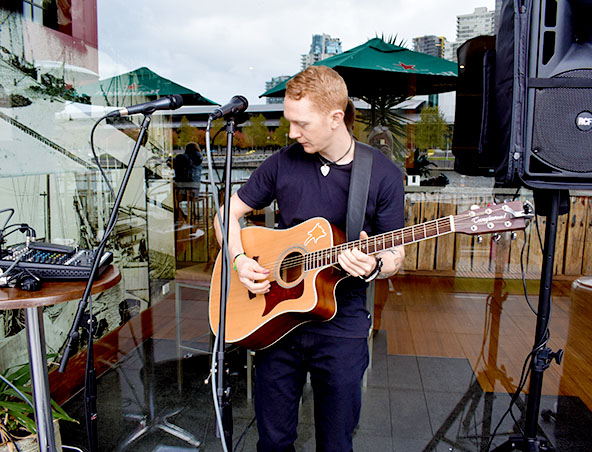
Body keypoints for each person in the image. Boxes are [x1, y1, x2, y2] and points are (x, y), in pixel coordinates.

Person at [214, 65, 405, 452]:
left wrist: (376, 265)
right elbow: (225, 216)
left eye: (301, 123)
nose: (291, 133)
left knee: (336, 442)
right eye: (289, 122)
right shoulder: (283, 162)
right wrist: (238, 260)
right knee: (273, 440)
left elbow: (394, 252)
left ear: (336, 118)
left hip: (341, 323)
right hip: (275, 318)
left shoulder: (382, 175)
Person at [173, 142, 203, 225]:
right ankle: (184, 217)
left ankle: (182, 218)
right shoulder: (199, 159)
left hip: (183, 189)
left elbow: (172, 163)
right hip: (195, 190)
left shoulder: (182, 158)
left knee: (169, 201)